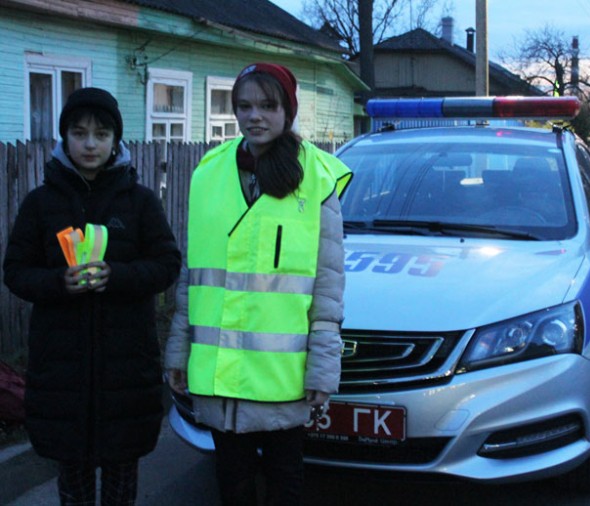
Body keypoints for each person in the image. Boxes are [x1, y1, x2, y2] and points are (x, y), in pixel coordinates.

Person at [164, 62, 352, 505]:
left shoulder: (317, 179)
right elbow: (195, 275)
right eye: (244, 106)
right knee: (232, 483)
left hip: (279, 376)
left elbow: (328, 285)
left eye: (268, 105)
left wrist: (323, 366)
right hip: (221, 371)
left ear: (288, 110)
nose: (255, 116)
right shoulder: (209, 173)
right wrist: (178, 350)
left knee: (285, 481)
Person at [3, 87, 181, 505]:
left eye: (101, 134)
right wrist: (57, 283)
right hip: (62, 373)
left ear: (115, 140)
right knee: (74, 485)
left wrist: (116, 276)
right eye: (79, 132)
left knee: (121, 484)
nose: (90, 143)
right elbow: (15, 271)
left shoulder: (139, 202)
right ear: (64, 137)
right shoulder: (40, 203)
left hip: (126, 371)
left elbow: (167, 264)